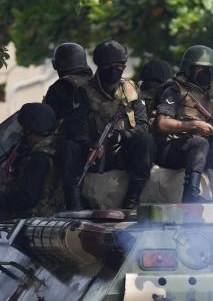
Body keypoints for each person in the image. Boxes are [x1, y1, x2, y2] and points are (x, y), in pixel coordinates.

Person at [65, 40, 154, 210]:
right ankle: (74, 202)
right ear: (100, 66)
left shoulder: (131, 89)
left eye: (120, 65)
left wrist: (119, 136)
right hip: (95, 154)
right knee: (70, 146)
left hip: (122, 152)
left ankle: (132, 199)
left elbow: (143, 126)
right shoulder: (84, 92)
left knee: (146, 140)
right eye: (110, 65)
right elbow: (76, 129)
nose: (116, 70)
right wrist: (93, 145)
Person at [153, 45, 213, 203]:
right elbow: (162, 124)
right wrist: (194, 125)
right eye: (201, 68)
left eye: (210, 69)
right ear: (189, 69)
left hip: (198, 152)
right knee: (199, 143)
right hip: (170, 148)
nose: (207, 73)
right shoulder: (174, 89)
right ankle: (191, 195)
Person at [0, 103, 64, 219]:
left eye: (25, 129)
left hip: (33, 221)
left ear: (31, 129)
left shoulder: (39, 158)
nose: (23, 134)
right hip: (47, 218)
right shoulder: (53, 149)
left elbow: (27, 198)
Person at [43, 42, 93, 210]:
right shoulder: (95, 84)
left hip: (73, 145)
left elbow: (47, 123)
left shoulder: (60, 87)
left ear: (58, 64)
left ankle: (72, 208)